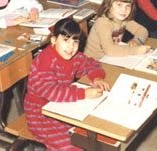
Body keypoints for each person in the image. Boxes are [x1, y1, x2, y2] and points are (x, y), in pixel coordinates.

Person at [24, 18, 110, 150]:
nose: (71, 47)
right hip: (40, 112)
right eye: (65, 40)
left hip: (63, 106)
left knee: (97, 134)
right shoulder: (45, 60)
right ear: (53, 40)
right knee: (72, 145)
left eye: (75, 42)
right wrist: (83, 93)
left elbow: (91, 64)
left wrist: (96, 77)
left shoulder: (74, 56)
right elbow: (50, 92)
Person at [85, 0, 150, 59]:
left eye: (128, 6)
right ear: (109, 4)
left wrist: (136, 41)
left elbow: (143, 30)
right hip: (93, 61)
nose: (124, 10)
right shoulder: (103, 23)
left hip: (110, 58)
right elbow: (110, 50)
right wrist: (136, 50)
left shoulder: (124, 19)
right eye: (119, 5)